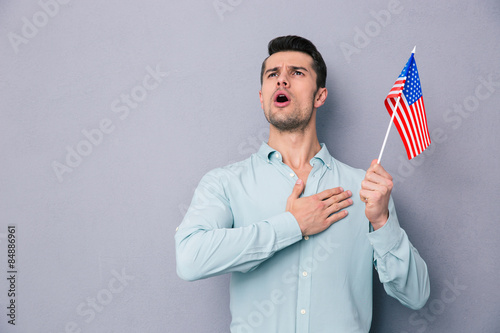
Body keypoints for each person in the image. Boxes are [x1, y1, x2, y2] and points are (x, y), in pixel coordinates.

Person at [175, 35, 430, 333]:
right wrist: (292, 225)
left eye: (296, 73)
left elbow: (416, 296)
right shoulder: (225, 183)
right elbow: (190, 259)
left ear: (320, 96)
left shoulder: (365, 189)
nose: (282, 80)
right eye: (273, 74)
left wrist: (383, 221)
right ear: (262, 96)